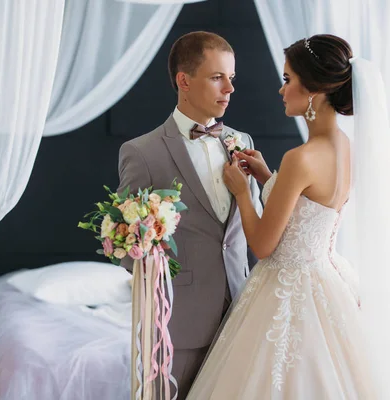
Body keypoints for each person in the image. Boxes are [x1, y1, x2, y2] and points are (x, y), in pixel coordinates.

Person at [186, 34, 390, 399]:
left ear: (314, 91)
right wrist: (267, 178)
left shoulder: (301, 158)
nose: (281, 91)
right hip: (328, 278)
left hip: (287, 289)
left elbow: (263, 245)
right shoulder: (346, 147)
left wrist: (243, 193)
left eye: (288, 80)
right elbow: (312, 203)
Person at [117, 31, 263, 399]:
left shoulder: (241, 142)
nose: (229, 88)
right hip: (178, 322)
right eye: (217, 77)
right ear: (184, 80)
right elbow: (124, 244)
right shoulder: (143, 152)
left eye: (232, 77)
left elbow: (255, 222)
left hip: (243, 309)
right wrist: (161, 287)